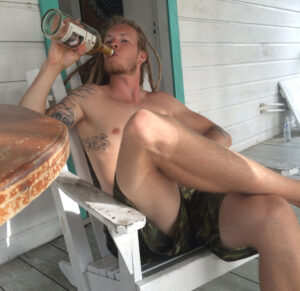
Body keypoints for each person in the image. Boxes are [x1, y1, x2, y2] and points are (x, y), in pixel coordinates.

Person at [20, 16, 300, 290]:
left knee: (275, 213)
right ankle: (294, 190)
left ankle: (287, 196)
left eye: (123, 40)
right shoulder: (88, 98)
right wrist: (53, 64)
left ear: (141, 56)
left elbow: (219, 132)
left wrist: (194, 163)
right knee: (145, 125)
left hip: (195, 205)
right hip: (141, 225)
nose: (113, 44)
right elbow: (31, 134)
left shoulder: (162, 101)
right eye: (108, 41)